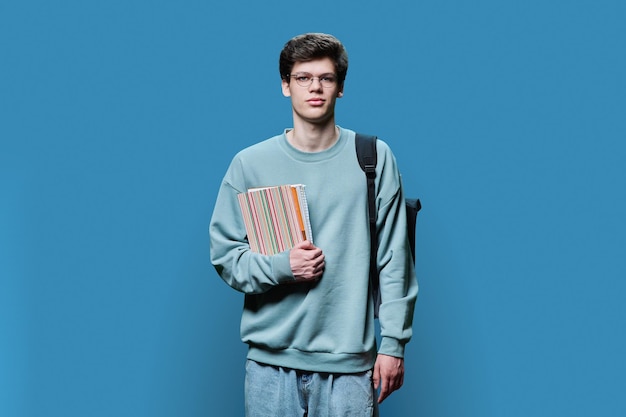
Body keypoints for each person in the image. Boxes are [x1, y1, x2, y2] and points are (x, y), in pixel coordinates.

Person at [209, 33, 418, 416]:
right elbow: (225, 257)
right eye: (303, 78)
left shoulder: (373, 158)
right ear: (285, 86)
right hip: (270, 365)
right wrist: (282, 266)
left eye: (326, 78)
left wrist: (393, 345)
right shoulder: (250, 164)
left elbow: (395, 259)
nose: (315, 87)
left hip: (350, 366)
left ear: (340, 88)